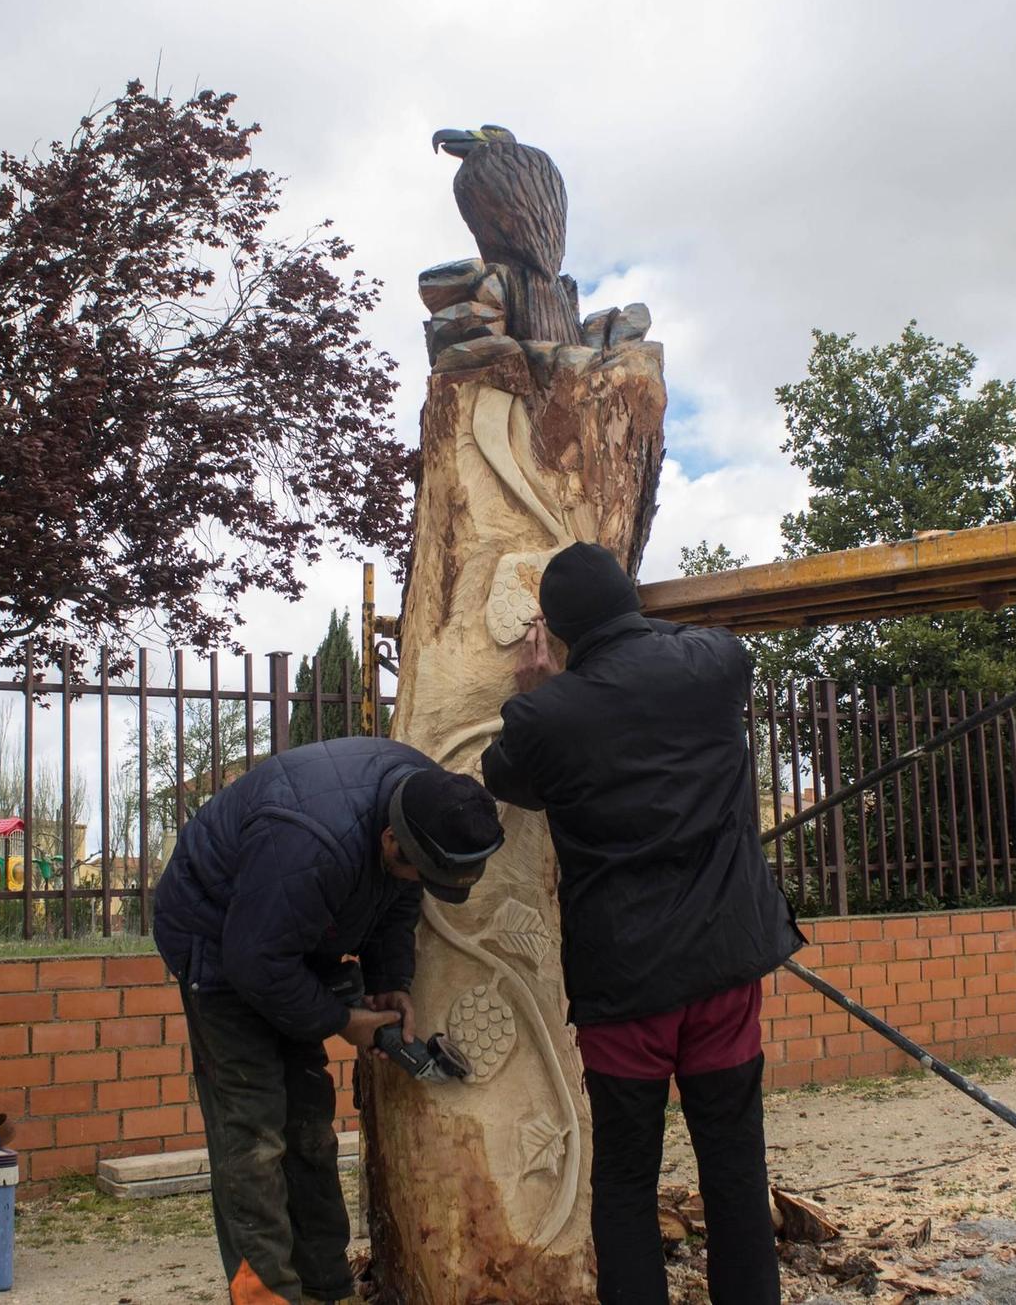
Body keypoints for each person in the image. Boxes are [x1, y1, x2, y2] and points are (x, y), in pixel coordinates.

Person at [481, 542, 803, 1305]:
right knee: (734, 1167)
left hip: (626, 989)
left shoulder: (545, 712)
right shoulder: (712, 665)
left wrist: (539, 686)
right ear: (633, 602)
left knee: (625, 1181)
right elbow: (721, 646)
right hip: (724, 970)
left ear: (553, 633)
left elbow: (504, 776)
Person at [152, 736, 503, 1305]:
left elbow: (400, 897)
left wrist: (391, 981)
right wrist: (341, 1018)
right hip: (219, 946)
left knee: (309, 1125)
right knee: (254, 1132)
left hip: (283, 936)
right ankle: (267, 1296)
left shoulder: (430, 802)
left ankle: (324, 1288)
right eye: (417, 869)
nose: (418, 881)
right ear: (392, 839)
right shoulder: (310, 842)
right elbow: (254, 961)